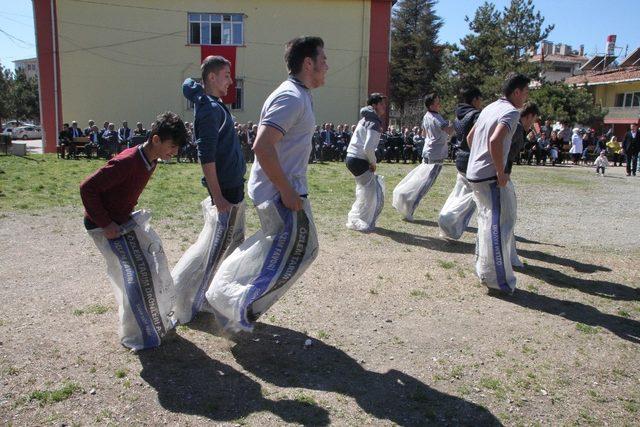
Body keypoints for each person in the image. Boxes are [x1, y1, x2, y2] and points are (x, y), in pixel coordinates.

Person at [207, 36, 327, 330]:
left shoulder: (299, 94)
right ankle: (235, 302)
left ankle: (230, 298)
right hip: (279, 191)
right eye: (323, 59)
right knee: (299, 249)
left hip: (280, 188)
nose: (327, 65)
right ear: (308, 63)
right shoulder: (290, 97)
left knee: (287, 248)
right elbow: (262, 145)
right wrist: (286, 190)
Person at [79, 111, 188, 348]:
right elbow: (87, 188)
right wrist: (106, 223)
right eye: (172, 146)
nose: (175, 152)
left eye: (178, 148)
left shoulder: (152, 161)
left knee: (146, 270)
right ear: (156, 139)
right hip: (102, 225)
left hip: (120, 222)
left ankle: (146, 321)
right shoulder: (128, 161)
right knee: (134, 276)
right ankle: (134, 332)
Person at [466, 73, 530, 295]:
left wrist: (477, 159)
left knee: (486, 222)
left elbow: (470, 138)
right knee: (498, 225)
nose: (526, 98)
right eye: (526, 92)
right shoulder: (511, 112)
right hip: (490, 176)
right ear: (516, 92)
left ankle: (484, 269)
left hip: (474, 173)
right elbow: (495, 140)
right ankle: (498, 279)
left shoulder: (489, 107)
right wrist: (500, 171)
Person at [183, 55, 246, 212]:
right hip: (226, 189)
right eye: (226, 76)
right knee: (228, 236)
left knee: (232, 236)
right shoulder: (209, 109)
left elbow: (188, 84)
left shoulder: (213, 103)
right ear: (212, 77)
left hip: (231, 184)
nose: (231, 81)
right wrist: (218, 197)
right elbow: (206, 155)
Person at [392, 93, 453, 221]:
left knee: (419, 180)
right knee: (424, 186)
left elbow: (425, 133)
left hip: (429, 152)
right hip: (435, 155)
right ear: (431, 105)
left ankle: (404, 197)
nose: (440, 104)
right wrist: (458, 123)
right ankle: (407, 207)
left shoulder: (426, 116)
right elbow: (448, 130)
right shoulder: (436, 118)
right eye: (437, 103)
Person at [438, 87, 482, 240]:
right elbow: (476, 136)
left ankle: (448, 223)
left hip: (460, 157)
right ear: (475, 99)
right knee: (474, 196)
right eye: (480, 100)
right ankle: (447, 218)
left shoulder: (458, 116)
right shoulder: (476, 115)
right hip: (471, 158)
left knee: (458, 193)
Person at [345, 92, 386, 231]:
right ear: (374, 106)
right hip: (358, 159)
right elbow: (368, 147)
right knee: (369, 193)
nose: (384, 106)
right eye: (381, 103)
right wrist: (373, 163)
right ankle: (356, 220)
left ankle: (357, 219)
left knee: (365, 190)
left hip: (353, 158)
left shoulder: (365, 119)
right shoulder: (373, 122)